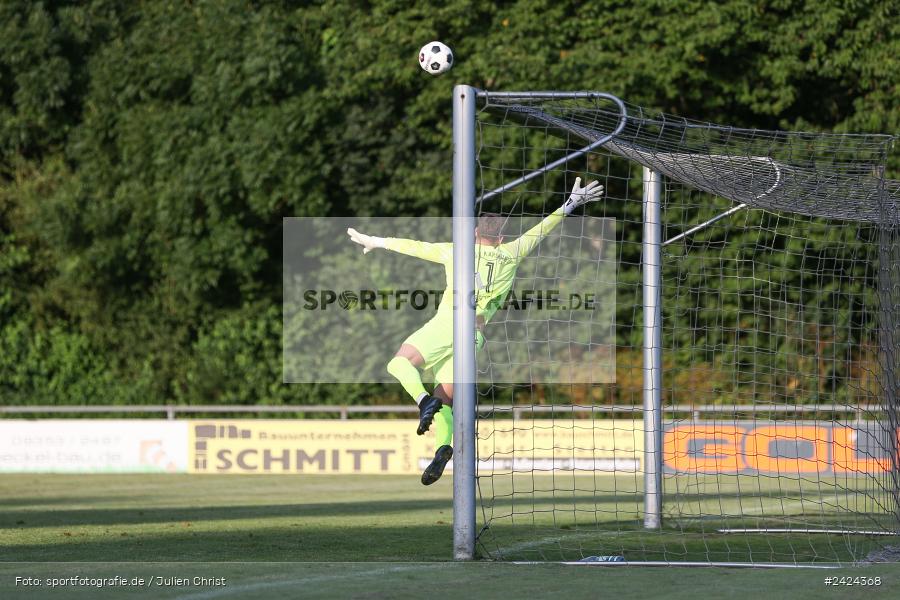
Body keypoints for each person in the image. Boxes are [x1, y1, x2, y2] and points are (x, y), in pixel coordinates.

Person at [347, 178, 604, 484]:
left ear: (474, 233)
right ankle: (443, 447)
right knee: (444, 400)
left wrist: (376, 241)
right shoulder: (511, 254)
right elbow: (541, 230)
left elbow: (415, 248)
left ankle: (421, 401)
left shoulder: (456, 250)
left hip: (449, 323)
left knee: (399, 364)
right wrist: (570, 204)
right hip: (474, 337)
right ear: (501, 237)